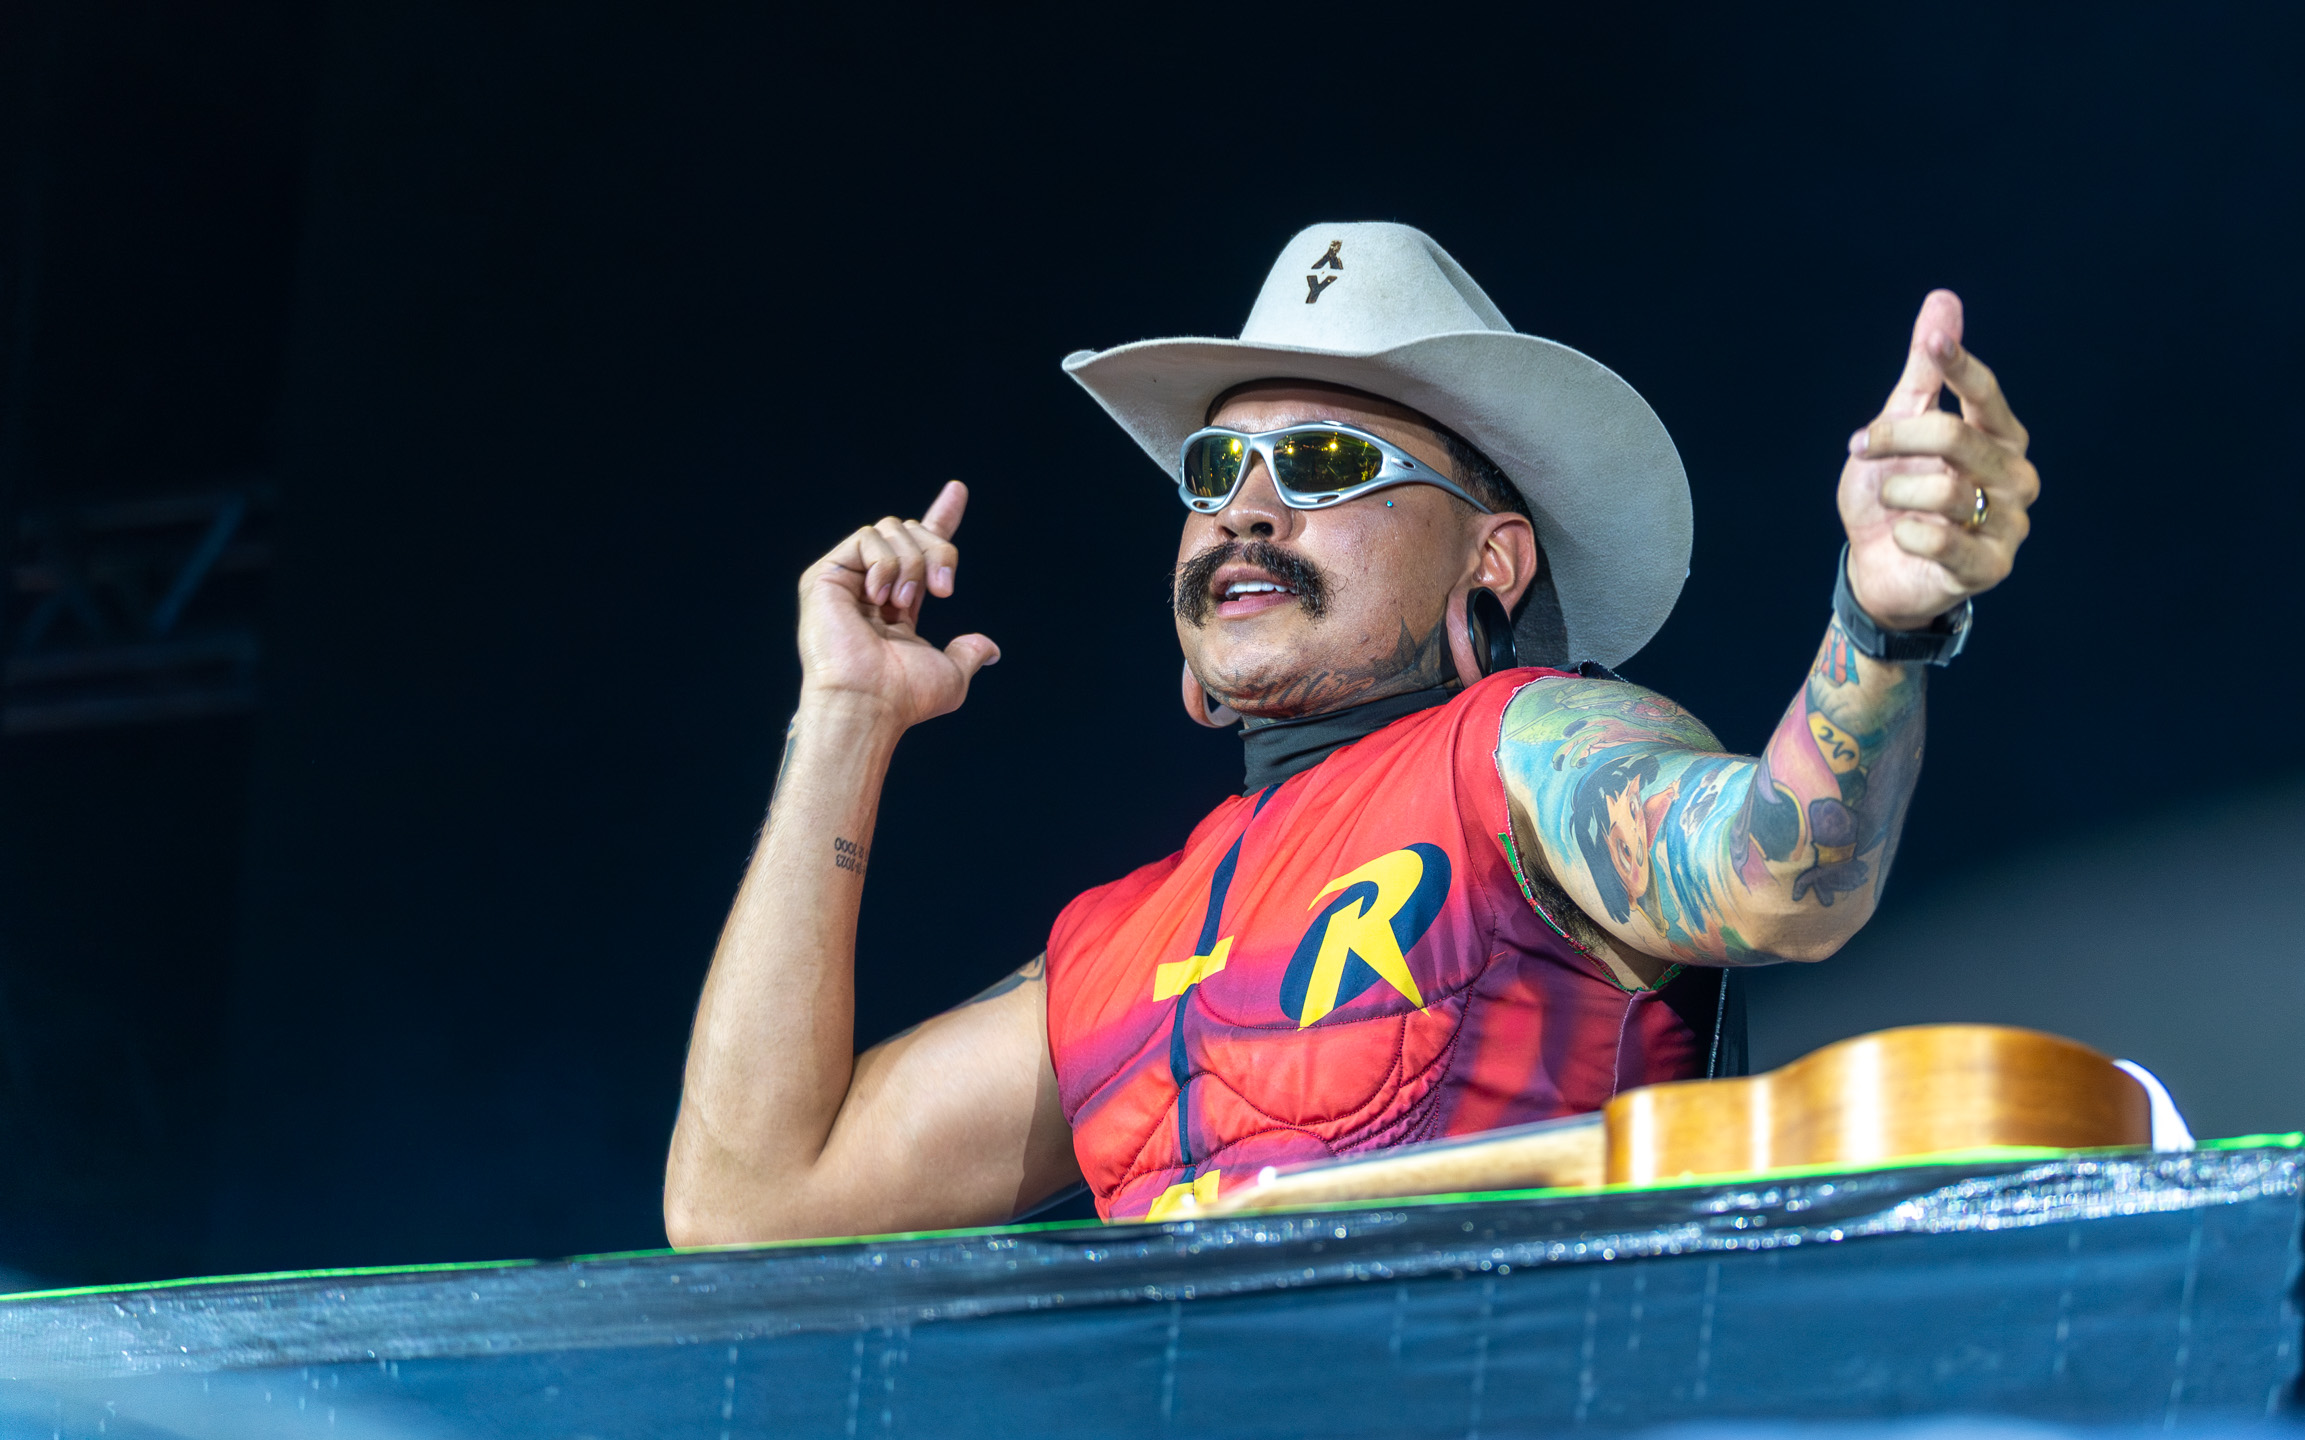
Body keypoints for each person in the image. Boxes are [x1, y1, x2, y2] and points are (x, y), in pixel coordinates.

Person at [662, 223, 2036, 1237]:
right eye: (1216, 469)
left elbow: (1782, 876)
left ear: (1491, 560)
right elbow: (746, 1204)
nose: (1248, 510)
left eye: (1324, 463)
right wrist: (844, 719)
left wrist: (1878, 626)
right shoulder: (1113, 945)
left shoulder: (1527, 748)